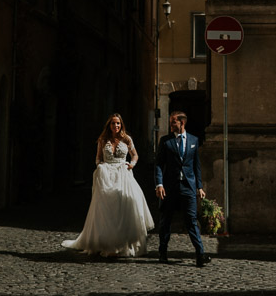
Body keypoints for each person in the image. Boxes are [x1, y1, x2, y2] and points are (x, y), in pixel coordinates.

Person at [62, 113, 155, 257]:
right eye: (113, 123)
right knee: (107, 209)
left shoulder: (127, 138)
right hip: (107, 175)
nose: (116, 126)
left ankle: (123, 244)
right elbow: (98, 158)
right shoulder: (103, 139)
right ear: (109, 125)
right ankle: (106, 242)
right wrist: (101, 168)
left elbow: (135, 155)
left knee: (126, 205)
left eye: (118, 123)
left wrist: (132, 164)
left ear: (121, 125)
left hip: (123, 173)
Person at [154, 111, 211, 267]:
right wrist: (159, 184)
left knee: (191, 221)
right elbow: (159, 164)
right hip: (169, 187)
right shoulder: (165, 141)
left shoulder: (194, 140)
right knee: (166, 221)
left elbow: (196, 166)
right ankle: (162, 253)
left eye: (173, 122)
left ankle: (200, 254)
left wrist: (199, 186)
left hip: (188, 187)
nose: (171, 125)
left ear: (182, 123)